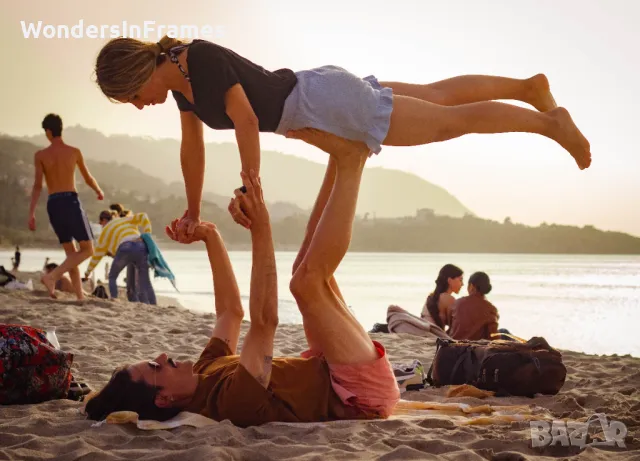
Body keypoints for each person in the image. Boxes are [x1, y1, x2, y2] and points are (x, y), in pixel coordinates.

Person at [94, 36, 592, 240]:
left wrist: (251, 184)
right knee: (438, 97)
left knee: (446, 122)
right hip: (318, 92)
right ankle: (529, 89)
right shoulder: (183, 85)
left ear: (140, 70)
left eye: (133, 96)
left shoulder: (196, 59)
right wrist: (192, 209)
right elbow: (192, 146)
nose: (140, 105)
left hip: (322, 103)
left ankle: (551, 124)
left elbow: (245, 120)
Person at [84, 139, 400, 427]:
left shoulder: (205, 368)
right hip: (360, 394)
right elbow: (264, 322)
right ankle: (353, 158)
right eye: (156, 367)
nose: (165, 356)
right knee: (305, 283)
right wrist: (260, 225)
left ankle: (338, 150)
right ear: (163, 399)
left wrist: (210, 235)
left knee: (304, 262)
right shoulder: (231, 403)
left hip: (330, 368)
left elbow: (230, 313)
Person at [28, 113, 104, 300]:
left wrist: (31, 213)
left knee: (71, 254)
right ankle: (52, 276)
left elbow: (38, 186)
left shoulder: (40, 155)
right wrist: (98, 191)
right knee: (87, 250)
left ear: (48, 131)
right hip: (70, 202)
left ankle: (79, 296)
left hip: (53, 204)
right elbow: (87, 177)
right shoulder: (74, 151)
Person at [85, 210, 157, 305]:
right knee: (145, 280)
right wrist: (146, 234)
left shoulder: (104, 233)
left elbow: (96, 257)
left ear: (104, 220)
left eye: (101, 222)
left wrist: (87, 272)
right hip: (141, 246)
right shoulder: (124, 220)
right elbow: (143, 216)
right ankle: (152, 305)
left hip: (125, 247)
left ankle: (114, 299)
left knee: (112, 277)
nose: (101, 225)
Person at [448, 271, 503, 341]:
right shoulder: (490, 308)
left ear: (471, 286)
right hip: (474, 348)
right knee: (504, 332)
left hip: (454, 346)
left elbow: (451, 327)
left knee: (503, 331)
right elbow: (494, 337)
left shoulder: (457, 303)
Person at [420, 264, 463, 331]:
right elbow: (455, 328)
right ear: (449, 280)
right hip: (433, 335)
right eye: (460, 280)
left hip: (425, 331)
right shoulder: (448, 299)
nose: (462, 284)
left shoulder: (432, 295)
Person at [109, 203, 137, 302]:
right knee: (132, 282)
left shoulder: (117, 223)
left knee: (113, 276)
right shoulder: (128, 219)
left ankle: (115, 297)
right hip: (137, 249)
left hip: (125, 250)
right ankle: (136, 302)